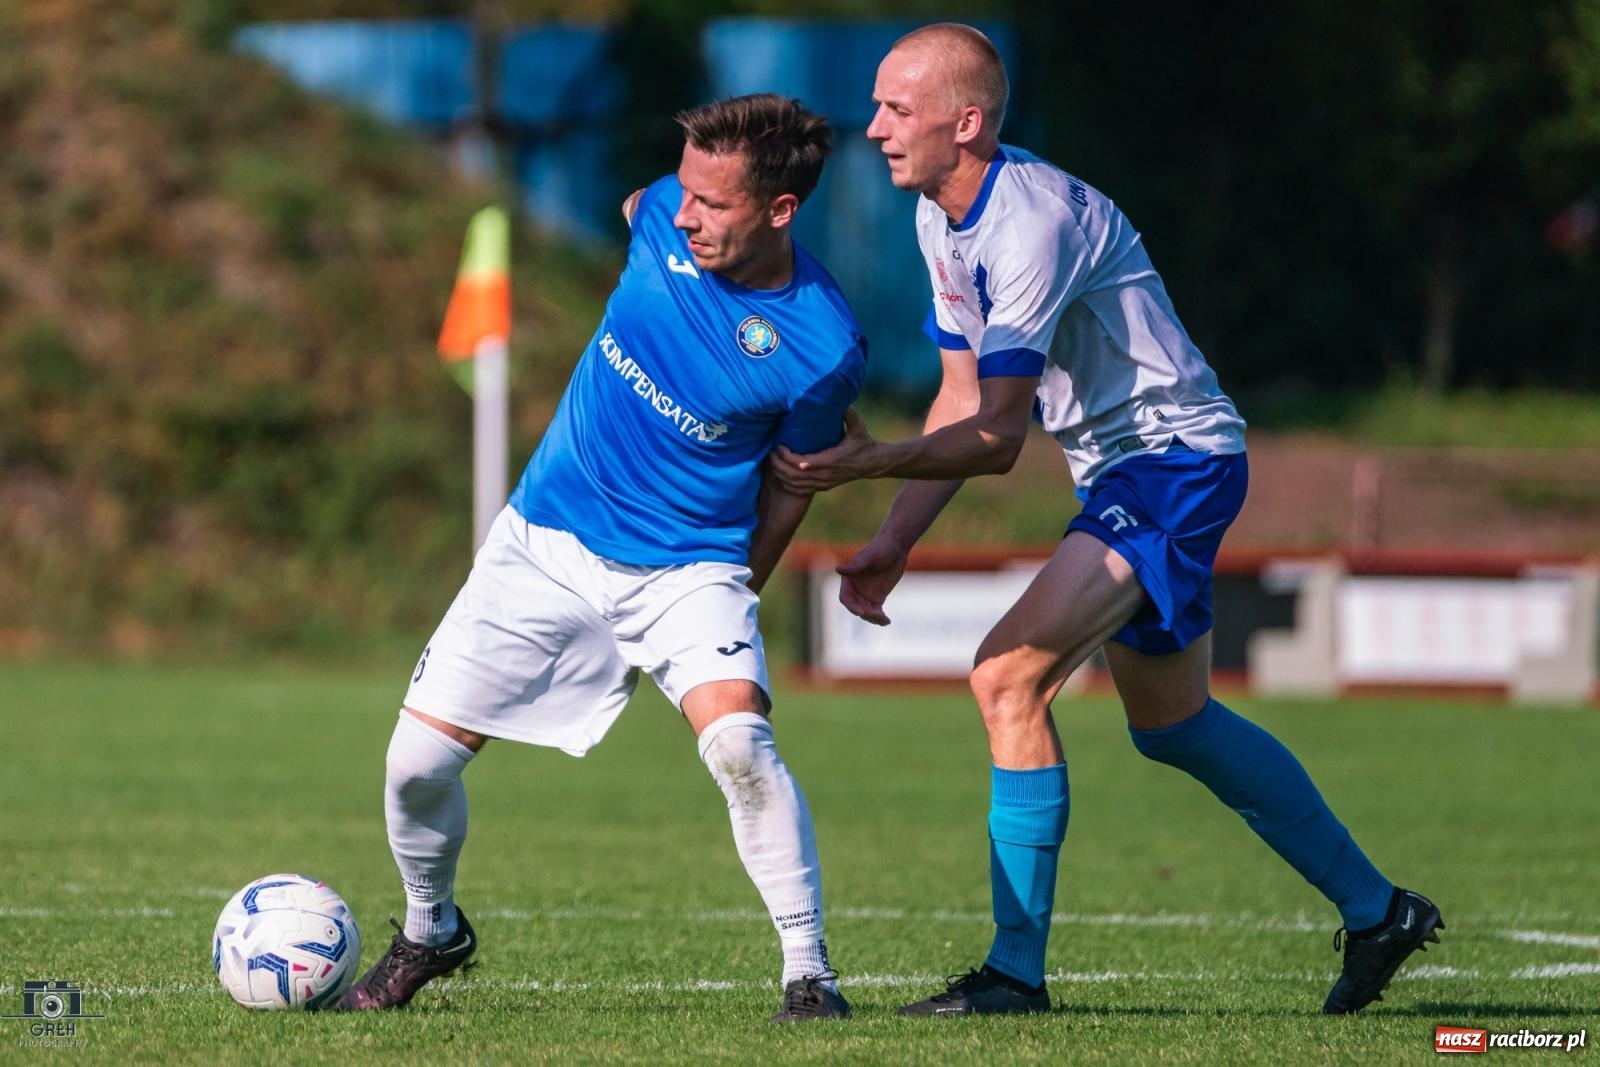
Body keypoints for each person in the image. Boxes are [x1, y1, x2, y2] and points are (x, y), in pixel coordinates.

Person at [772, 24, 1442, 1017]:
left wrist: (867, 461)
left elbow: (999, 437)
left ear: (966, 123)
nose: (870, 127)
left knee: (1005, 675)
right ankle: (1380, 909)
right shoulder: (939, 218)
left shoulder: (1027, 221)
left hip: (1171, 464)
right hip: (1134, 473)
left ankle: (1012, 973)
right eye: (873, 105)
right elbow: (961, 399)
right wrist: (894, 535)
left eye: (894, 109)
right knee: (1174, 726)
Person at [334, 93, 865, 1023]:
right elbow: (637, 206)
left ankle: (809, 974)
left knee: (741, 742)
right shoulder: (659, 209)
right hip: (543, 540)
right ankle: (429, 930)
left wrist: (739, 583)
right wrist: (671, 205)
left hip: (688, 566)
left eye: (716, 203)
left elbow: (794, 478)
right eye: (686, 192)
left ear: (782, 210)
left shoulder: (823, 347)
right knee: (413, 767)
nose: (687, 213)